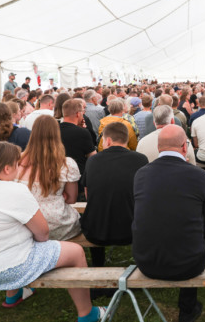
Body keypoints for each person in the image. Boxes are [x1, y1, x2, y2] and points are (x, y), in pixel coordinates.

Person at [0, 141, 105, 320]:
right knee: (76, 252)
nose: (19, 168)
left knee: (12, 246)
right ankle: (88, 313)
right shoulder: (15, 190)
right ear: (7, 169)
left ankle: (13, 296)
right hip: (4, 270)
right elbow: (43, 233)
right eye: (17, 164)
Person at [132, 125, 205, 322]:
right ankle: (187, 309)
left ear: (158, 147)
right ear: (184, 147)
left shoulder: (141, 174)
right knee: (191, 230)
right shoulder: (199, 175)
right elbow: (203, 219)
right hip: (188, 264)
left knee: (185, 226)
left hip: (145, 260)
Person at [82, 122, 148, 267]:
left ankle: (97, 264)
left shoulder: (93, 160)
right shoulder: (141, 159)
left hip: (97, 230)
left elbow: (88, 195)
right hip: (132, 229)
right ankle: (141, 263)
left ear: (108, 141)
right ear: (126, 140)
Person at [15, 115, 81, 240]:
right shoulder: (67, 164)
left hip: (25, 225)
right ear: (57, 134)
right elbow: (72, 199)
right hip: (58, 225)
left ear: (33, 133)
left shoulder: (16, 161)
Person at [59, 99, 96, 176]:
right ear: (78, 114)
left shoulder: (54, 130)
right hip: (78, 174)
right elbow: (93, 156)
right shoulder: (83, 133)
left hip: (57, 172)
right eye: (83, 111)